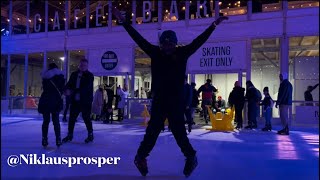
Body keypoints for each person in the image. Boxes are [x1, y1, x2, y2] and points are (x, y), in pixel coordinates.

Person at [112, 7, 228, 177]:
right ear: (161, 44)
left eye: (170, 44)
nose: (167, 47)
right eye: (165, 44)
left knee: (178, 131)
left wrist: (213, 25)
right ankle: (141, 157)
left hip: (175, 101)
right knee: (152, 131)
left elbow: (199, 41)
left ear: (174, 43)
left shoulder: (182, 53)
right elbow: (138, 38)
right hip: (160, 100)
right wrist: (124, 23)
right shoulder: (155, 53)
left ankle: (190, 156)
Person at [62, 59, 94, 143]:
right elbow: (69, 84)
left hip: (85, 102)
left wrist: (72, 91)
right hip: (75, 101)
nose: (82, 66)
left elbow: (86, 88)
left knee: (86, 118)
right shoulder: (74, 74)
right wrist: (65, 90)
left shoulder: (90, 76)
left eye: (84, 65)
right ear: (78, 65)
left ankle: (90, 134)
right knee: (72, 118)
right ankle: (70, 135)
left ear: (87, 66)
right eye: (81, 65)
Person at [38, 63, 65, 147]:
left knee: (46, 122)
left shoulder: (46, 77)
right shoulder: (61, 77)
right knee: (56, 121)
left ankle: (44, 139)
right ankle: (58, 139)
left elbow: (45, 89)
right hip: (56, 101)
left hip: (46, 101)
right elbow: (62, 90)